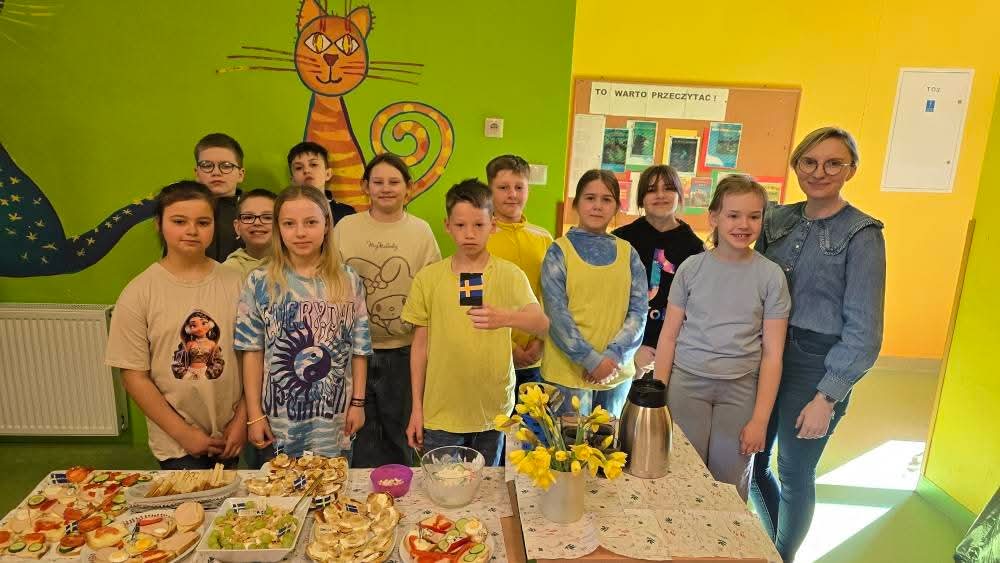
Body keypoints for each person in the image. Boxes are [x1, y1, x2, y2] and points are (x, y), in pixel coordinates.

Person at [750, 127, 886, 562]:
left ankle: (782, 556)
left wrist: (828, 396)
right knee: (753, 458)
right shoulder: (775, 220)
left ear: (851, 170)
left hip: (815, 364)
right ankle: (770, 548)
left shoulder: (863, 233)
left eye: (833, 163)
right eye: (809, 161)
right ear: (796, 165)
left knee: (794, 470)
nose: (819, 172)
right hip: (765, 353)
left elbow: (865, 329)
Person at [652, 175, 790, 500]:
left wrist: (760, 420)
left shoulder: (770, 276)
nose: (743, 224)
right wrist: (657, 396)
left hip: (739, 390)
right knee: (682, 475)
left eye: (754, 216)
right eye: (733, 215)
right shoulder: (691, 268)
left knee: (729, 482)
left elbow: (773, 354)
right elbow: (669, 337)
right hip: (686, 385)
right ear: (714, 217)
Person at [403, 179, 549, 466]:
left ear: (492, 225)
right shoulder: (428, 278)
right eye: (460, 225)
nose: (469, 234)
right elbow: (420, 347)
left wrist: (505, 317)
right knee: (442, 485)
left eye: (479, 225)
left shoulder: (509, 274)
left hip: (493, 411)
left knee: (486, 486)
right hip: (441, 412)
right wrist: (416, 409)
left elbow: (542, 324)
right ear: (447, 226)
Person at [105, 181, 246, 469]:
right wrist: (184, 434)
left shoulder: (237, 283)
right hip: (176, 442)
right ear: (159, 224)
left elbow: (255, 358)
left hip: (230, 433)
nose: (192, 230)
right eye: (179, 221)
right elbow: (133, 375)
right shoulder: (139, 292)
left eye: (203, 222)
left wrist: (242, 421)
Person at [235, 186, 371, 466]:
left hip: (334, 423)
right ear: (278, 228)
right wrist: (255, 415)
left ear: (326, 225)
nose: (300, 233)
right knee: (277, 490)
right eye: (289, 224)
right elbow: (252, 352)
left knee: (331, 488)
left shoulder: (348, 280)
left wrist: (358, 403)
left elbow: (359, 349)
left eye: (310, 222)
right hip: (278, 424)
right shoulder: (259, 281)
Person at [334, 153, 441, 467]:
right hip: (353, 353)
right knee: (358, 435)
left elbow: (432, 289)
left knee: (400, 435)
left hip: (404, 352)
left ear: (408, 187)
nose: (385, 188)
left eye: (394, 182)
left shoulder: (421, 231)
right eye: (377, 182)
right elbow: (331, 280)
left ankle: (400, 489)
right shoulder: (346, 227)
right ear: (364, 186)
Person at [540, 169, 647, 419]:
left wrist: (612, 357)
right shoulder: (558, 251)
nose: (597, 206)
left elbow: (639, 311)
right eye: (590, 198)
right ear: (576, 203)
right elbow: (556, 314)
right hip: (567, 373)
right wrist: (591, 360)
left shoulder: (628, 253)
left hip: (616, 373)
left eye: (606, 199)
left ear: (616, 207)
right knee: (566, 444)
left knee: (608, 441)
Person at [612, 165, 704, 377]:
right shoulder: (621, 240)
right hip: (623, 353)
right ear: (641, 199)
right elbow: (609, 301)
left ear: (679, 194)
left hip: (676, 357)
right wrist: (631, 350)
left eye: (668, 188)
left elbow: (697, 311)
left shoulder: (695, 249)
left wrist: (669, 352)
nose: (660, 195)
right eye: (651, 189)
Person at [485, 154, 553, 393]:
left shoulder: (544, 238)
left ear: (528, 190)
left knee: (533, 417)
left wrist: (541, 340)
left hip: (536, 356)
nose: (512, 194)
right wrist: (510, 346)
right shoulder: (477, 236)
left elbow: (554, 296)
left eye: (519, 187)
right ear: (489, 191)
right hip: (491, 354)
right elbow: (469, 299)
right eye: (503, 187)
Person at [194, 133, 245, 261]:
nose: (216, 172)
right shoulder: (182, 210)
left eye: (226, 166)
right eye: (207, 165)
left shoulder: (255, 211)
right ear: (197, 173)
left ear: (240, 174)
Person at [288, 141, 356, 225]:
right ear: (293, 180)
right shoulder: (285, 212)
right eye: (299, 168)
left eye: (313, 164)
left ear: (328, 174)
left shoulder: (346, 214)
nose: (306, 170)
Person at [222, 189, 277, 278]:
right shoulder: (225, 271)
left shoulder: (295, 265)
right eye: (248, 217)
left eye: (267, 217)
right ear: (237, 227)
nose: (257, 223)